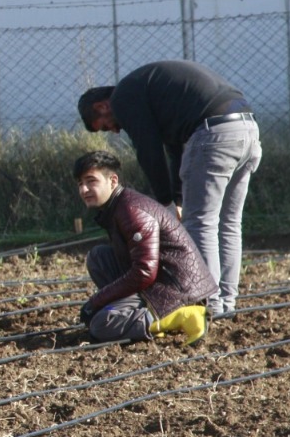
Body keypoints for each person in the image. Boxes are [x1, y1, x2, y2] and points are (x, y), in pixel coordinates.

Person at [78, 61, 261, 318]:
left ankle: (209, 307)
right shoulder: (150, 92)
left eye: (106, 126)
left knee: (200, 222)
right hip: (247, 129)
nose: (115, 131)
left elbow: (148, 149)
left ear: (102, 106)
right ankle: (226, 304)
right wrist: (176, 198)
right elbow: (175, 148)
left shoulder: (123, 98)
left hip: (213, 135)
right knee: (229, 223)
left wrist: (164, 201)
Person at [73, 151, 214, 345]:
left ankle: (180, 315)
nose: (84, 189)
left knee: (101, 324)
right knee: (99, 258)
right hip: (159, 283)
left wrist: (97, 301)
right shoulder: (117, 206)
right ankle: (142, 317)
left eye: (91, 181)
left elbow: (144, 272)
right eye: (80, 183)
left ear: (113, 181)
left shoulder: (132, 212)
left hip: (177, 291)